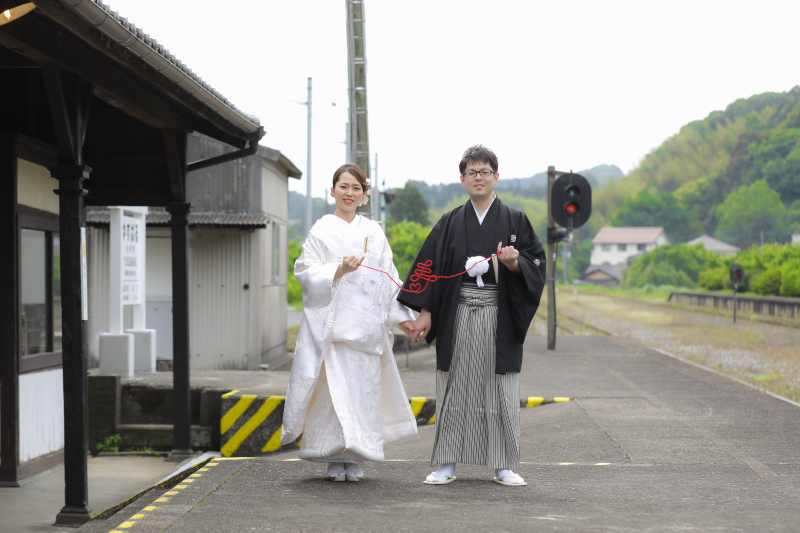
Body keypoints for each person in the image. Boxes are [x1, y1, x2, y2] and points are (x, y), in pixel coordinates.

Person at [398, 145, 546, 487]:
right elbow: (428, 270)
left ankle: (503, 465)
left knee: (500, 389)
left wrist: (511, 263)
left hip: (499, 315)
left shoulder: (516, 220)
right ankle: (446, 463)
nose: (478, 178)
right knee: (454, 387)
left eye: (484, 172)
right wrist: (424, 314)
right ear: (462, 179)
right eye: (471, 173)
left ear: (496, 176)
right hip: (458, 314)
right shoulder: (449, 222)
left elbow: (536, 263)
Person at [280, 163, 418, 482]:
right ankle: (332, 456)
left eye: (356, 188)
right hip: (334, 329)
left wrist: (403, 319)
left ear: (364, 195)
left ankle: (355, 458)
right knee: (334, 397)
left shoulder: (374, 232)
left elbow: (389, 279)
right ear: (332, 191)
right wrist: (338, 271)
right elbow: (305, 271)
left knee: (362, 395)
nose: (349, 193)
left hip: (367, 331)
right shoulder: (320, 231)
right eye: (343, 186)